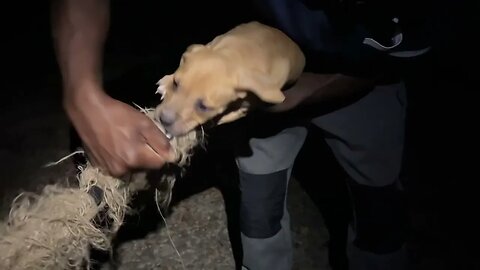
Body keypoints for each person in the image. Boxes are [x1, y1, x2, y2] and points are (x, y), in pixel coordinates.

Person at [50, 0, 431, 269]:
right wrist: (82, 91)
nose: (169, 117)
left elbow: (393, 58)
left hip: (363, 79)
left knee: (377, 196)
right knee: (260, 199)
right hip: (257, 70)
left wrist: (270, 98)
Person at [234, 0, 432, 270]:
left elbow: (407, 52)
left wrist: (298, 95)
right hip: (270, 68)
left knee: (378, 208)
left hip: (367, 80)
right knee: (259, 202)